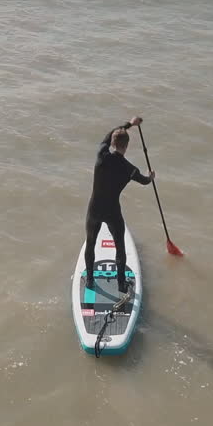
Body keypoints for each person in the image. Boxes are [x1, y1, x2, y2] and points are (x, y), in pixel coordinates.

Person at [84, 116, 154, 293]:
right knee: (120, 247)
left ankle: (90, 281)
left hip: (94, 209)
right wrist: (150, 177)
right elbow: (145, 181)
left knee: (91, 243)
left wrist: (129, 124)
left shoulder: (102, 155)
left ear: (112, 143)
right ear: (126, 146)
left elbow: (107, 136)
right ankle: (121, 285)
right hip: (112, 212)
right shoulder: (130, 170)